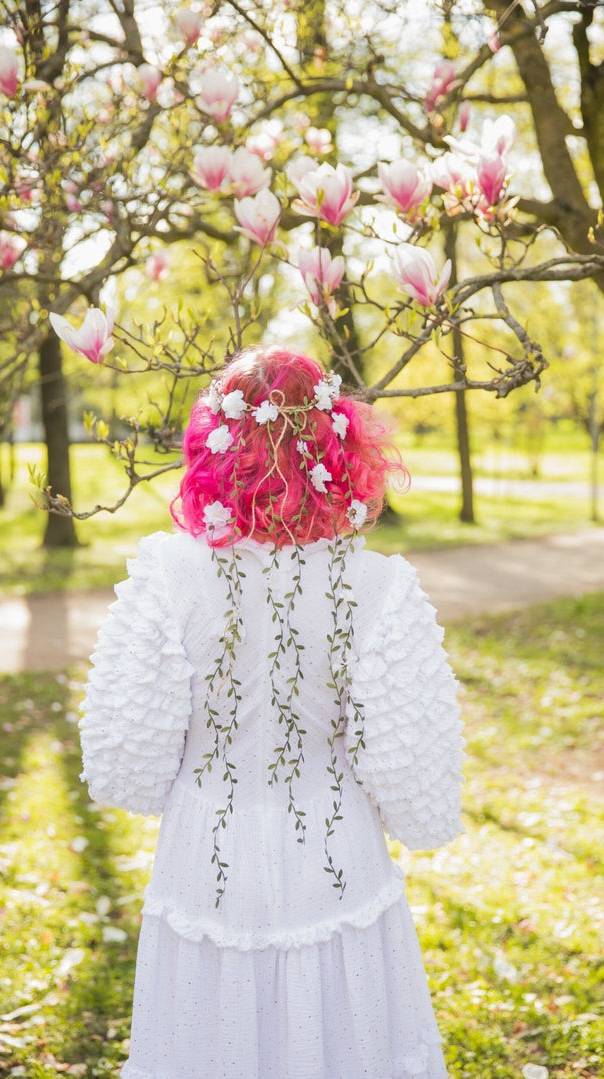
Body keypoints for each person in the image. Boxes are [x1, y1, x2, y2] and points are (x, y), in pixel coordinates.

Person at [80, 344, 464, 1079]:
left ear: (216, 443)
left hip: (206, 866)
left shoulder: (170, 577)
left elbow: (123, 770)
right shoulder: (379, 588)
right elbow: (422, 802)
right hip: (336, 865)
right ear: (339, 446)